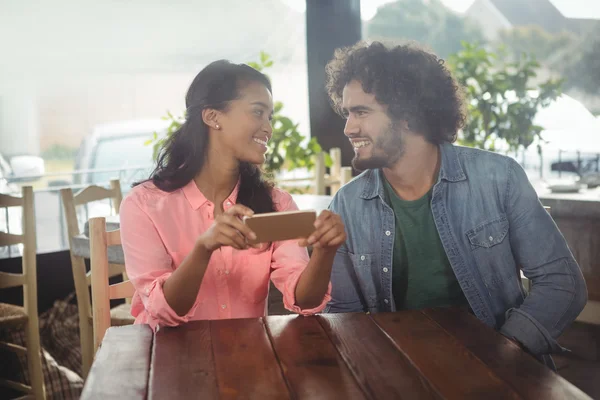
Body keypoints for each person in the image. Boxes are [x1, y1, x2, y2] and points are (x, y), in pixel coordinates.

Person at [323, 41, 587, 366]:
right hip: (402, 374)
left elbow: (562, 283)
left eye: (362, 111)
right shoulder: (347, 204)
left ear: (408, 115)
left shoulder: (498, 178)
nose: (349, 128)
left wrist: (504, 352)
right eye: (347, 112)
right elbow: (342, 313)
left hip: (504, 373)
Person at [119, 60, 346, 329]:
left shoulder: (277, 203)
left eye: (269, 117)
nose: (268, 128)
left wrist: (324, 252)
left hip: (247, 355)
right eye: (257, 112)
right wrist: (203, 249)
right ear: (213, 117)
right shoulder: (143, 205)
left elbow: (305, 302)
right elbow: (163, 311)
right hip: (169, 358)